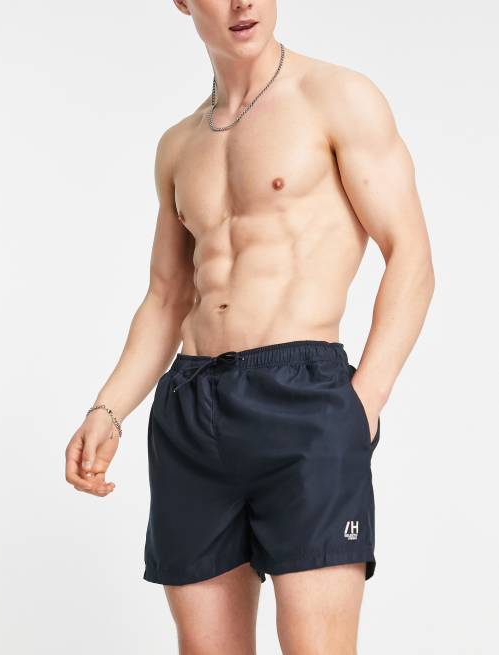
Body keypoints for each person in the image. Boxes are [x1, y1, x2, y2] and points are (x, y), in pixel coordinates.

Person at [65, 1, 435, 652]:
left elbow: (410, 254)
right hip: (191, 409)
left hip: (305, 400)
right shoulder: (178, 144)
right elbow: (166, 295)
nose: (242, 3)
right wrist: (108, 407)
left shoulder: (337, 98)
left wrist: (362, 405)